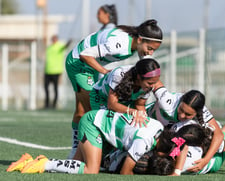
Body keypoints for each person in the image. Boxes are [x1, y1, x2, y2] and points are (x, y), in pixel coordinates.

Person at [66, 19, 163, 159]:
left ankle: (83, 152)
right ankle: (77, 154)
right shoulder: (120, 44)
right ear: (140, 39)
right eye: (150, 48)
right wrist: (104, 71)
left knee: (83, 110)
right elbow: (85, 54)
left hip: (92, 65)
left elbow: (145, 69)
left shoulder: (137, 43)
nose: (151, 53)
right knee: (89, 113)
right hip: (79, 64)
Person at [7, 109, 179, 175]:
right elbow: (126, 172)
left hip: (97, 120)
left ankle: (29, 161)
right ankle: (45, 164)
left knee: (75, 165)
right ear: (161, 151)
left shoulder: (158, 127)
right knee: (91, 170)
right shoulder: (144, 142)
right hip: (93, 125)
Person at [146, 82, 225, 174]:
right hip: (151, 126)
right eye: (181, 110)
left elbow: (218, 135)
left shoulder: (191, 137)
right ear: (180, 101)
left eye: (188, 115)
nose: (182, 116)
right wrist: (139, 108)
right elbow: (152, 77)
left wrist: (206, 160)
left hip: (200, 144)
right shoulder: (167, 101)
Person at [68, 58, 161, 160]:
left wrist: (143, 119)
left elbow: (140, 105)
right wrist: (133, 112)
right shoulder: (119, 75)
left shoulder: (148, 85)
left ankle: (106, 158)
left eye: (155, 82)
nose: (152, 86)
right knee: (107, 127)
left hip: (123, 102)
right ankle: (79, 156)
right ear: (139, 77)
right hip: (101, 98)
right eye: (150, 83)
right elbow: (112, 105)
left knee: (126, 126)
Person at [44, 35, 71, 109]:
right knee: (46, 88)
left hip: (56, 71)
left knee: (55, 88)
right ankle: (46, 104)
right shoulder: (49, 47)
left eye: (54, 38)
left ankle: (54, 104)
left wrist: (69, 42)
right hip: (47, 70)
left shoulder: (59, 46)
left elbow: (65, 46)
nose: (53, 40)